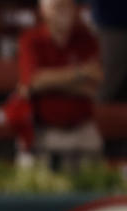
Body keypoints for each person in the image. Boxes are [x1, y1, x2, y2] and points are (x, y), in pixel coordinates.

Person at [16, 0, 103, 170]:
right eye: (57, 7)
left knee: (94, 185)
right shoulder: (31, 39)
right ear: (43, 11)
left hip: (83, 129)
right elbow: (33, 81)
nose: (63, 12)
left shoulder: (86, 39)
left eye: (67, 6)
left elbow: (94, 86)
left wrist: (49, 84)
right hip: (46, 130)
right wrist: (80, 73)